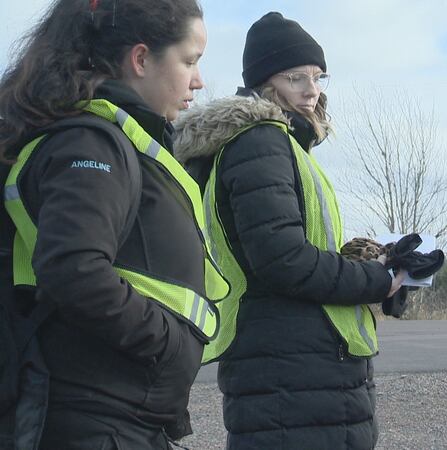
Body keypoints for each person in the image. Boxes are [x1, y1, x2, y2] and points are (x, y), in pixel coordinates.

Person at [0, 0, 227, 448]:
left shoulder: (119, 139)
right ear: (141, 59)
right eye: (190, 61)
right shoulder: (90, 142)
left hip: (119, 419)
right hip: (94, 422)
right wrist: (168, 345)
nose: (198, 81)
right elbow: (73, 270)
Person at [174, 12, 403, 450]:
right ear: (265, 82)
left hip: (298, 363)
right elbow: (283, 261)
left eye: (318, 76)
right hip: (290, 366)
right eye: (295, 77)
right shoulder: (261, 141)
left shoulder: (283, 144)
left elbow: (291, 246)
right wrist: (377, 280)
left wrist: (366, 259)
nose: (311, 89)